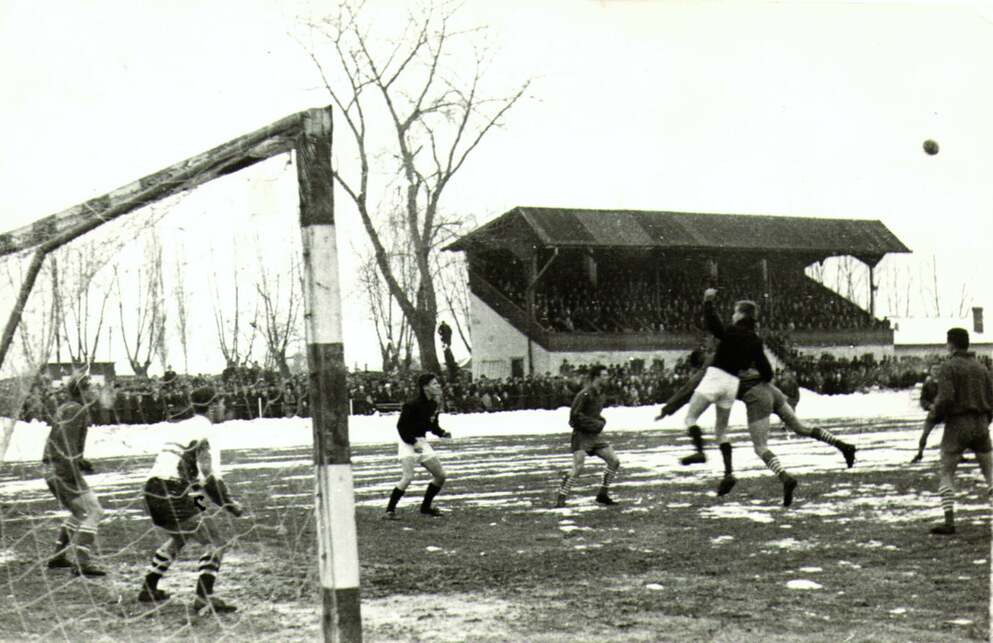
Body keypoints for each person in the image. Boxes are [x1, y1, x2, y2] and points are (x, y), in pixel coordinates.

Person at [659, 355, 855, 506]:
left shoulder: (712, 369)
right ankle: (843, 446)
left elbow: (691, 387)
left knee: (760, 447)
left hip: (756, 396)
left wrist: (669, 408)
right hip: (770, 389)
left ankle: (785, 478)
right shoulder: (731, 354)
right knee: (800, 427)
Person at [139, 386, 244, 612]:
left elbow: (191, 478)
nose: (225, 408)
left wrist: (203, 506)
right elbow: (208, 476)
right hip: (173, 491)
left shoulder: (183, 426)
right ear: (213, 406)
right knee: (215, 541)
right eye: (223, 403)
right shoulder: (206, 431)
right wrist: (230, 504)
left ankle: (149, 587)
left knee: (181, 536)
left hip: (152, 490)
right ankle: (203, 597)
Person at [675, 288, 772, 496]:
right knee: (721, 432)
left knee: (691, 418)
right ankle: (728, 473)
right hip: (732, 383)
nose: (733, 315)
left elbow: (714, 326)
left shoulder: (733, 330)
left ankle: (700, 452)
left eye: (735, 312)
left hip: (716, 376)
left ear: (742, 314)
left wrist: (707, 302)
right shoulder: (756, 340)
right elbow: (767, 371)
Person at [911, 328, 993, 535]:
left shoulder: (948, 367)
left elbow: (945, 399)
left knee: (947, 472)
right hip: (981, 423)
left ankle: (949, 521)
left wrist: (932, 420)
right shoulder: (982, 368)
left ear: (951, 344)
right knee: (990, 473)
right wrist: (985, 421)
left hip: (958, 424)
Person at [42, 374, 106, 576]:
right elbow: (66, 445)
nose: (96, 391)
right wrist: (74, 467)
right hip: (62, 469)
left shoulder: (67, 407)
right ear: (84, 390)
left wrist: (80, 460)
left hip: (53, 467)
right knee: (94, 511)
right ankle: (82, 562)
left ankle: (58, 557)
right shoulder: (77, 410)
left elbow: (62, 440)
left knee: (79, 513)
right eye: (94, 388)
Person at [385, 373, 452, 519]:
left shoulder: (433, 405)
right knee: (408, 477)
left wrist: (442, 433)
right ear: (425, 387)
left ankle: (426, 507)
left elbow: (432, 425)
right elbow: (401, 427)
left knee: (441, 476)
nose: (438, 386)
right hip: (408, 442)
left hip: (421, 442)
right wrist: (413, 442)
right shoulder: (411, 405)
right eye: (434, 383)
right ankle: (389, 511)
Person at [555, 364, 621, 508]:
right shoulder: (584, 394)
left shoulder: (601, 394)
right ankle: (561, 497)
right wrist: (594, 424)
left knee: (614, 461)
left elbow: (594, 415)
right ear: (596, 377)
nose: (607, 378)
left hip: (595, 436)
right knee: (578, 468)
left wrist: (600, 421)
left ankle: (602, 495)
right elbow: (574, 417)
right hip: (581, 436)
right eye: (604, 375)